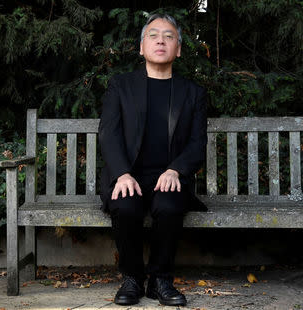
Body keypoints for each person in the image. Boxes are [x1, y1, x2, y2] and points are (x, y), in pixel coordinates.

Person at [98, 13, 207, 306]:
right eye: (154, 35)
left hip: (168, 178)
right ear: (142, 47)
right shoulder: (120, 86)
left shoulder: (193, 93)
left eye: (169, 36)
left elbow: (198, 144)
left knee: (169, 205)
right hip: (128, 176)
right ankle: (132, 278)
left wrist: (175, 170)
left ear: (179, 49)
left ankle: (160, 280)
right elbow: (109, 134)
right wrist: (121, 173)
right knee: (125, 205)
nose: (161, 40)